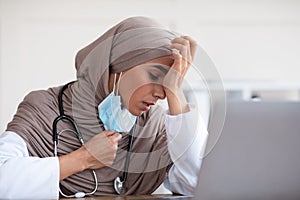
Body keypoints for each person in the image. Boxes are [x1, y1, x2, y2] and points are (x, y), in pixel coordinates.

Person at [0, 16, 208, 199]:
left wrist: (176, 92)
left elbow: (201, 185)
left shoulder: (155, 127)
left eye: (168, 81)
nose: (161, 94)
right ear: (116, 64)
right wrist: (82, 159)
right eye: (154, 76)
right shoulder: (45, 107)